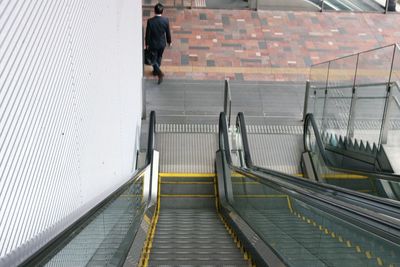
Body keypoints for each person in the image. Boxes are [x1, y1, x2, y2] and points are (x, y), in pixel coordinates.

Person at [145, 3, 172, 84]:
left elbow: (147, 34)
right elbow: (168, 32)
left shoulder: (150, 21)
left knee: (153, 59)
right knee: (159, 56)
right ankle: (156, 71)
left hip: (153, 44)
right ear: (162, 11)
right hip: (162, 44)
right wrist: (169, 41)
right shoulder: (166, 20)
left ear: (154, 11)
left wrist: (147, 43)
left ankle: (158, 72)